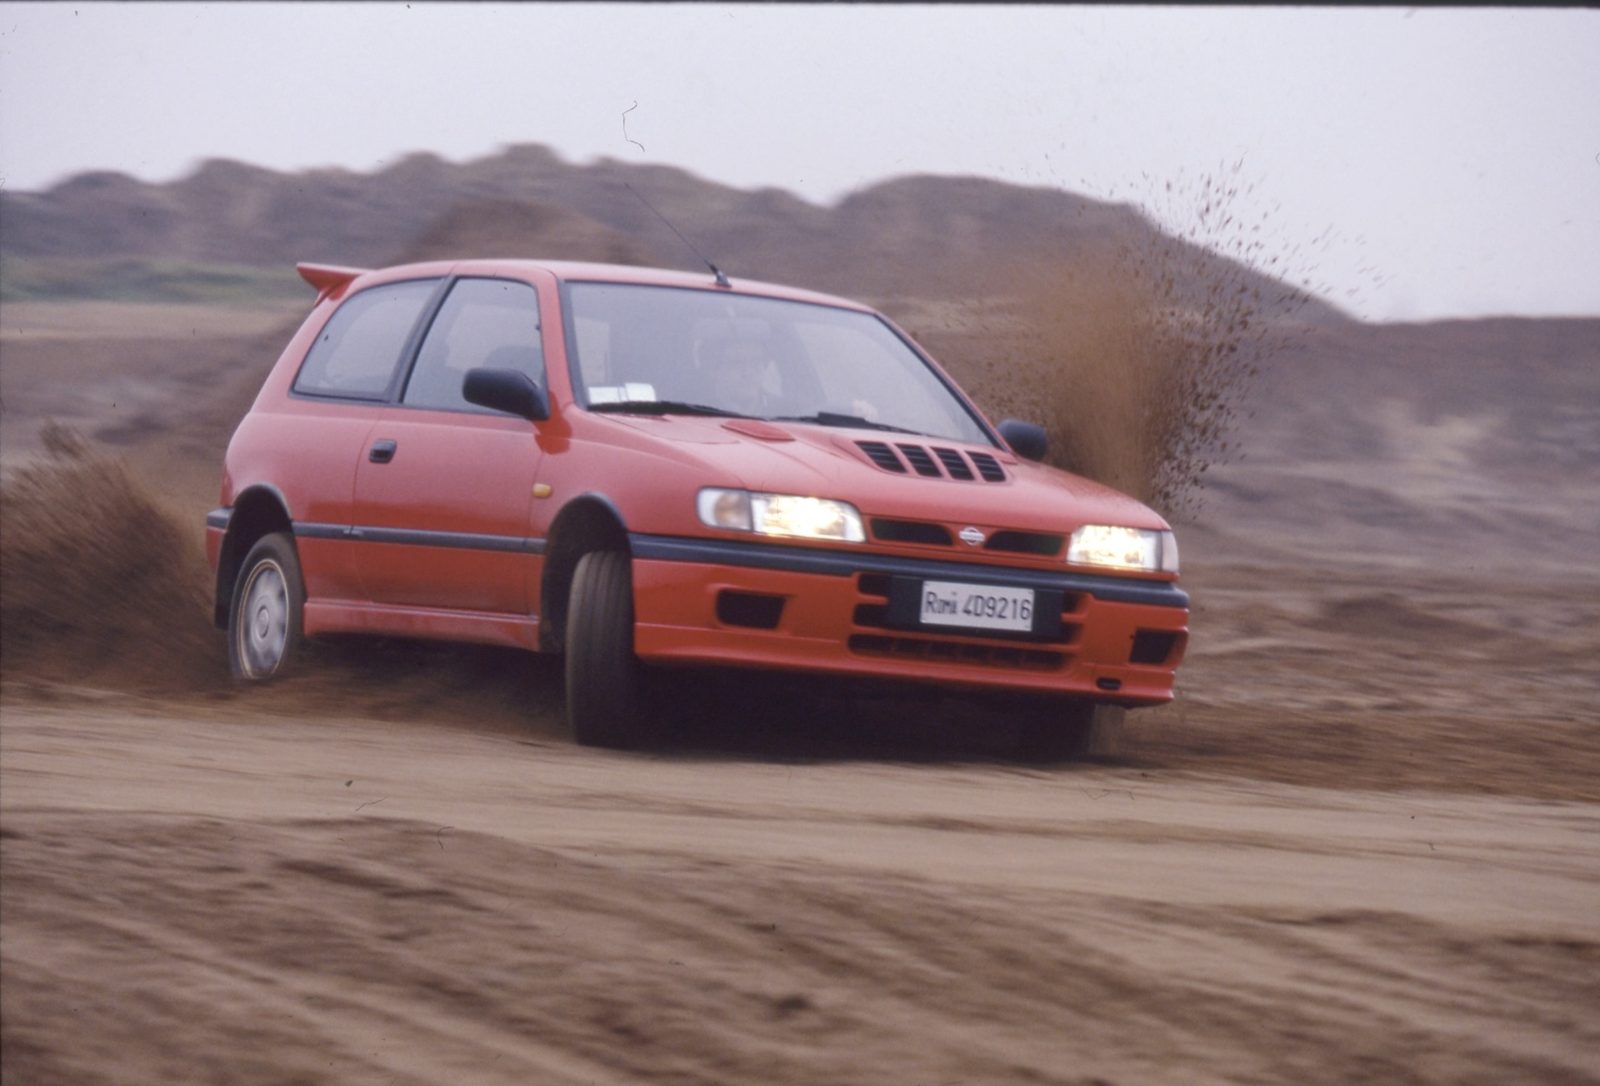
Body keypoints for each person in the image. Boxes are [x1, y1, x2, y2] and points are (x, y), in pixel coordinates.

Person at [702, 335, 774, 416]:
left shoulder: (782, 410)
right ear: (714, 370)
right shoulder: (700, 412)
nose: (748, 373)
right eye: (736, 363)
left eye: (755, 362)